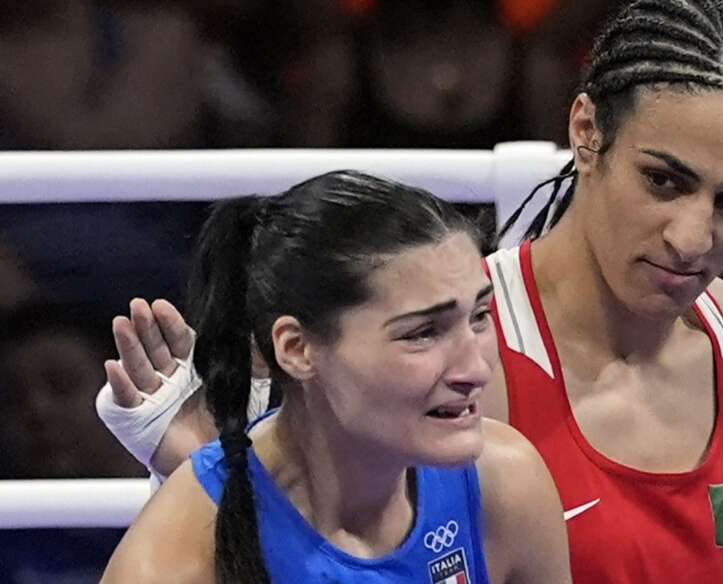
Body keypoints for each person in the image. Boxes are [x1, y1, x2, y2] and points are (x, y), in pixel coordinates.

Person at [98, 0, 723, 584]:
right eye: (663, 181)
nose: (693, 237)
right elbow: (316, 536)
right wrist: (203, 464)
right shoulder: (445, 355)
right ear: (587, 131)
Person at [98, 170, 571, 584]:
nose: (476, 369)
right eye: (423, 333)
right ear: (297, 349)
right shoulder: (172, 563)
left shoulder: (505, 483)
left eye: (480, 316)